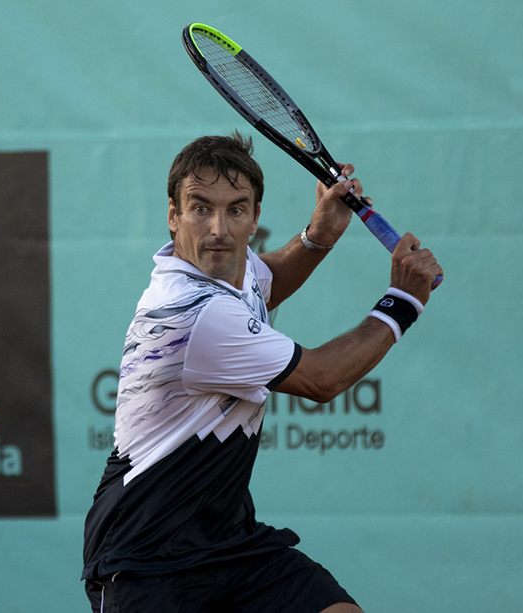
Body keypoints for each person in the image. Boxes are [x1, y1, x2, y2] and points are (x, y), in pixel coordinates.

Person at [82, 132, 443, 613]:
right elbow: (321, 379)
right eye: (200, 208)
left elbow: (264, 280)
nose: (218, 229)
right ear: (173, 217)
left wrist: (318, 237)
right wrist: (404, 301)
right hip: (146, 560)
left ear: (254, 219)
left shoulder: (227, 270)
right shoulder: (193, 314)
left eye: (235, 210)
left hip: (229, 544)